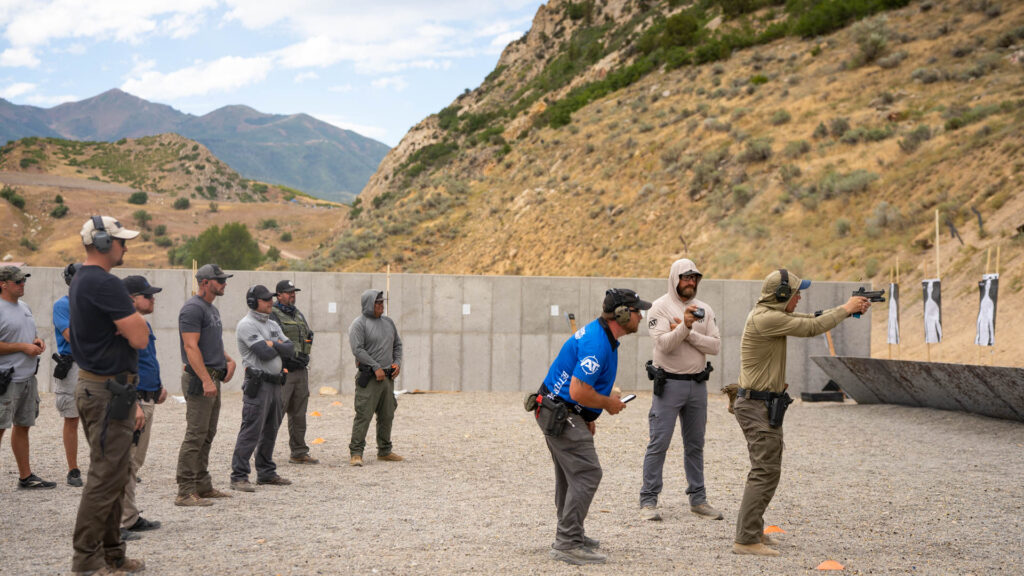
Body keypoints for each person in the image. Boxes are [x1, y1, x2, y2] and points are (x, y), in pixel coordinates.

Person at [732, 269, 870, 557]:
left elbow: (808, 319)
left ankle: (753, 530)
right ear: (782, 295)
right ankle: (746, 539)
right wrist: (846, 308)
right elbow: (811, 328)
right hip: (756, 405)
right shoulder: (765, 317)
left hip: (761, 404)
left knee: (768, 470)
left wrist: (845, 310)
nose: (799, 297)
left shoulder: (769, 315)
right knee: (764, 471)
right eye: (796, 292)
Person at [536, 288, 649, 566]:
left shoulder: (603, 338)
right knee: (587, 472)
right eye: (637, 311)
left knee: (571, 475)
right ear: (622, 314)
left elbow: (579, 390)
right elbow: (577, 389)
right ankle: (567, 543)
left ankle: (571, 534)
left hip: (560, 410)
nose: (641, 317)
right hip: (560, 412)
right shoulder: (598, 344)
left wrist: (588, 416)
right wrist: (607, 404)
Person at [68, 216, 149, 575]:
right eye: (120, 241)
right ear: (102, 243)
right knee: (104, 476)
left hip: (106, 389)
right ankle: (86, 560)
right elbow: (141, 337)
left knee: (116, 472)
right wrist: (131, 323)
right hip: (106, 390)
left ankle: (113, 553)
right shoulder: (104, 284)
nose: (125, 247)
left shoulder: (85, 279)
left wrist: (128, 325)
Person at [640, 259, 722, 521]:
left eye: (694, 278)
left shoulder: (705, 310)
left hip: (697, 385)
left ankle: (698, 500)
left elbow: (716, 346)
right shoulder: (659, 308)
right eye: (686, 277)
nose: (691, 282)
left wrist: (688, 332)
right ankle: (648, 501)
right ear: (675, 278)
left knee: (695, 445)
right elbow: (664, 345)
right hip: (669, 385)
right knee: (659, 443)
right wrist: (686, 327)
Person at [175, 263, 236, 507]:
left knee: (207, 434)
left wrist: (228, 359)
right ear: (204, 283)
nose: (224, 283)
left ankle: (203, 484)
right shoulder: (192, 309)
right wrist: (205, 379)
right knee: (195, 435)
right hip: (201, 380)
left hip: (211, 377)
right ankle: (185, 490)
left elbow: (211, 343)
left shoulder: (210, 309)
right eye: (219, 280)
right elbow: (191, 347)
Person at [230, 285, 293, 491]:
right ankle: (239, 476)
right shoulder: (247, 325)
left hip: (275, 383)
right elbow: (263, 353)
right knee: (251, 430)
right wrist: (277, 345)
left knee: (270, 430)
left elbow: (290, 350)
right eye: (266, 300)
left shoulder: (272, 323)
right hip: (258, 384)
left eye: (270, 299)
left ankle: (266, 472)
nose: (270, 303)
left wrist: (272, 344)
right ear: (253, 302)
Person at [0, 266, 55, 490]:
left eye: (23, 281)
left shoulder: (24, 307)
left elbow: (25, 334)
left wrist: (35, 340)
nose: (22, 284)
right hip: (6, 379)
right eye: (17, 282)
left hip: (27, 378)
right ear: (3, 284)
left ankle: (26, 476)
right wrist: (23, 347)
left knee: (23, 426)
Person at [120, 276, 165, 536]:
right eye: (147, 295)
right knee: (125, 462)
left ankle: (130, 515)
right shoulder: (126, 326)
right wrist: (134, 403)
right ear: (131, 298)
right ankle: (120, 520)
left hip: (146, 397)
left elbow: (145, 361)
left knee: (134, 462)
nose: (152, 299)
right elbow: (123, 366)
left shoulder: (140, 323)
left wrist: (157, 386)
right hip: (134, 400)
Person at [348, 290, 403, 467]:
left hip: (387, 378)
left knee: (387, 414)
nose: (381, 305)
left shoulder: (388, 322)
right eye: (377, 302)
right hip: (370, 378)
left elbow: (397, 345)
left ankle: (385, 450)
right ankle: (356, 452)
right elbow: (357, 350)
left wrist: (397, 363)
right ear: (368, 304)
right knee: (364, 414)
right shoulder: (359, 324)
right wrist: (375, 366)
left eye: (382, 302)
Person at [270, 279, 318, 464]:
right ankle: (264, 452)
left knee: (299, 413)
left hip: (300, 370)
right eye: (289, 292)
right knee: (276, 412)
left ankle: (298, 451)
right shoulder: (273, 314)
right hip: (284, 370)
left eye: (294, 292)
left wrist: (305, 354)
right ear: (279, 295)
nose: (292, 295)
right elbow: (273, 341)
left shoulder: (297, 314)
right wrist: (288, 358)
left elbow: (307, 335)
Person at [52, 262, 83, 487]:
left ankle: (111, 466)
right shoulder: (62, 305)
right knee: (72, 418)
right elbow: (72, 336)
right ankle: (73, 469)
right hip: (73, 365)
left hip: (94, 364)